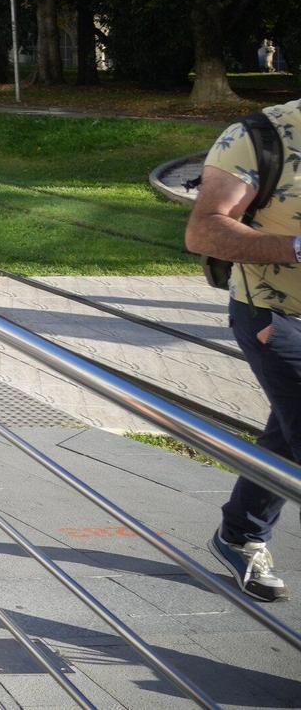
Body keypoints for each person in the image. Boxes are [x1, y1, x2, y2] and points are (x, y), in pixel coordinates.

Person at [186, 97, 301, 603]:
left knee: (286, 431)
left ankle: (240, 533)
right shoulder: (260, 138)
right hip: (275, 316)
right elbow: (204, 229)